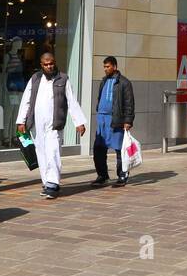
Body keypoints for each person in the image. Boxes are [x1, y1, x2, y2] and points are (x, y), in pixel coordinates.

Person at [16, 52, 87, 199]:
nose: (49, 66)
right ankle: (47, 182)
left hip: (54, 124)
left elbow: (72, 101)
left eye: (51, 63)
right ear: (41, 65)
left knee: (53, 152)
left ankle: (53, 184)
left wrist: (79, 122)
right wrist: (21, 121)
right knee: (41, 154)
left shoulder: (63, 78)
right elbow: (26, 100)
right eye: (46, 64)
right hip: (36, 124)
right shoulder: (35, 79)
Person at [92, 55, 135, 187]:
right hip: (102, 119)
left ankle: (122, 175)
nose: (105, 69)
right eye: (104, 67)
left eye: (108, 66)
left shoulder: (124, 82)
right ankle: (102, 175)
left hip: (115, 119)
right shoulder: (103, 81)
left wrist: (128, 121)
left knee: (119, 149)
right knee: (98, 148)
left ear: (114, 67)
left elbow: (129, 103)